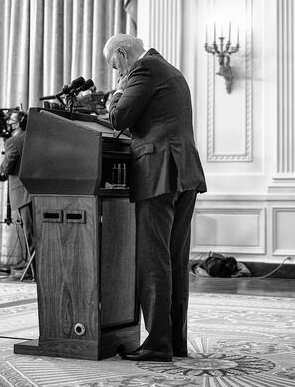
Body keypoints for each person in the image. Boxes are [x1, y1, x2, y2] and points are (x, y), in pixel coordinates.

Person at [103, 34, 207, 362]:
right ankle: (173, 340)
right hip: (183, 171)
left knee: (153, 258)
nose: (116, 71)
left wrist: (116, 92)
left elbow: (119, 118)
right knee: (174, 260)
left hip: (159, 171)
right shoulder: (169, 69)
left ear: (122, 53)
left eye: (113, 64)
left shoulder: (143, 69)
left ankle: (158, 344)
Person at [0, 109, 34, 271]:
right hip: (36, 191)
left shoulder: (13, 141)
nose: (9, 123)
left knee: (28, 230)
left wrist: (1, 169)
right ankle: (29, 262)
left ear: (19, 123)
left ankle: (30, 266)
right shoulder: (33, 138)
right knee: (32, 229)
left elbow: (6, 167)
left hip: (22, 192)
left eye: (12, 121)